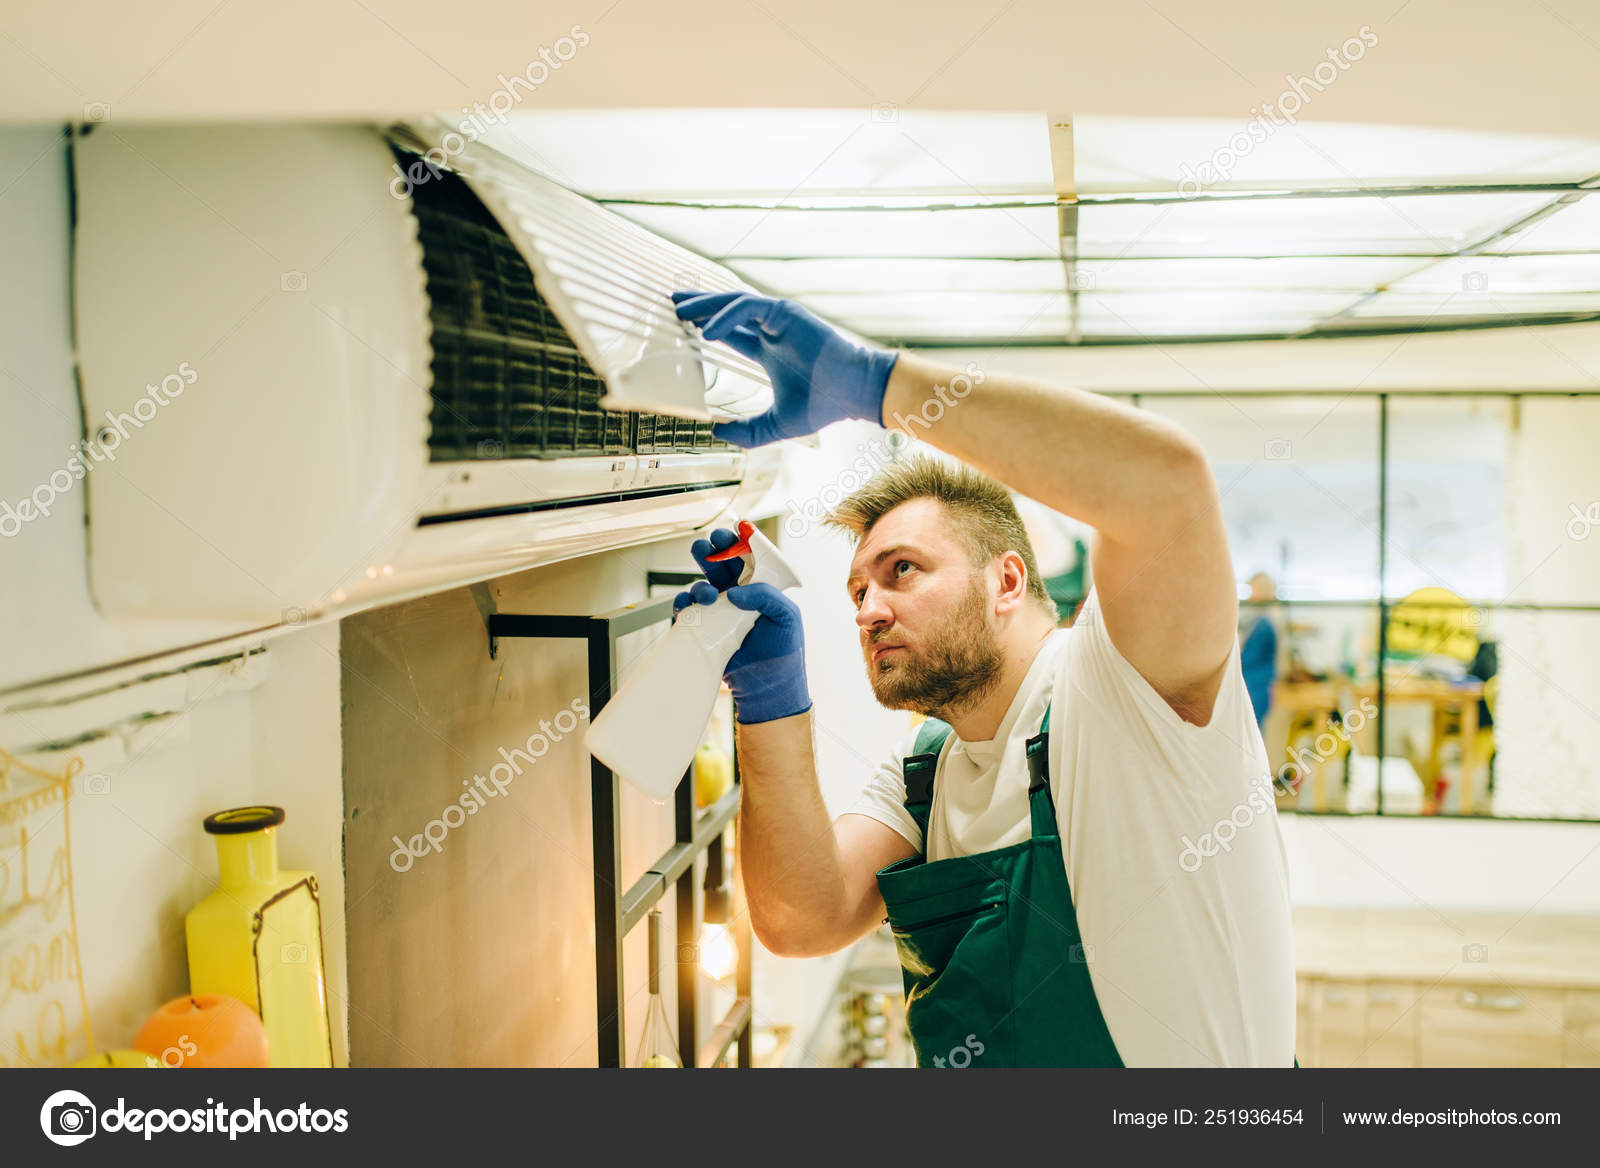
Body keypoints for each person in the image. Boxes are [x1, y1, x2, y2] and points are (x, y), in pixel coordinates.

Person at [670, 291, 1294, 1068]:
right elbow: (803, 917)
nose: (870, 610)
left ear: (1007, 581)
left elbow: (1165, 484)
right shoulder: (925, 768)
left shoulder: (1118, 690)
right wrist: (768, 702)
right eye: (859, 591)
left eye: (903, 571)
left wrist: (879, 387)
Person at [1240, 571, 1280, 728]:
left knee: (1252, 733)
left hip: (1256, 688)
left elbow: (1249, 658)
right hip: (1255, 686)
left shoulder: (1265, 623)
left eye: (1253, 590)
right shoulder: (1259, 620)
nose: (1250, 596)